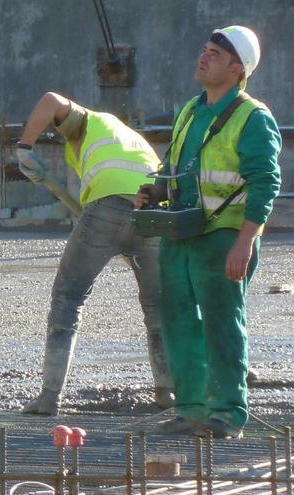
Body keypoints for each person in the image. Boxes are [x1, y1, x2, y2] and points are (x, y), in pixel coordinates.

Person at [137, 26, 281, 439]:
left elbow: (265, 182)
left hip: (223, 235)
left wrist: (245, 240)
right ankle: (191, 409)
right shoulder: (189, 110)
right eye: (204, 50)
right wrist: (155, 190)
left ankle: (228, 413)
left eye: (214, 54)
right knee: (178, 321)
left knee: (221, 322)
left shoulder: (252, 117)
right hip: (181, 233)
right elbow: (174, 167)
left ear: (237, 69)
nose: (203, 57)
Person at [17, 92, 173, 415]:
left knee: (68, 296)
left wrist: (24, 148)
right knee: (159, 307)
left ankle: (49, 396)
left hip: (109, 208)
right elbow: (94, 211)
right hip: (152, 211)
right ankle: (167, 391)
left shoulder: (89, 122)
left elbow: (49, 100)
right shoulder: (129, 141)